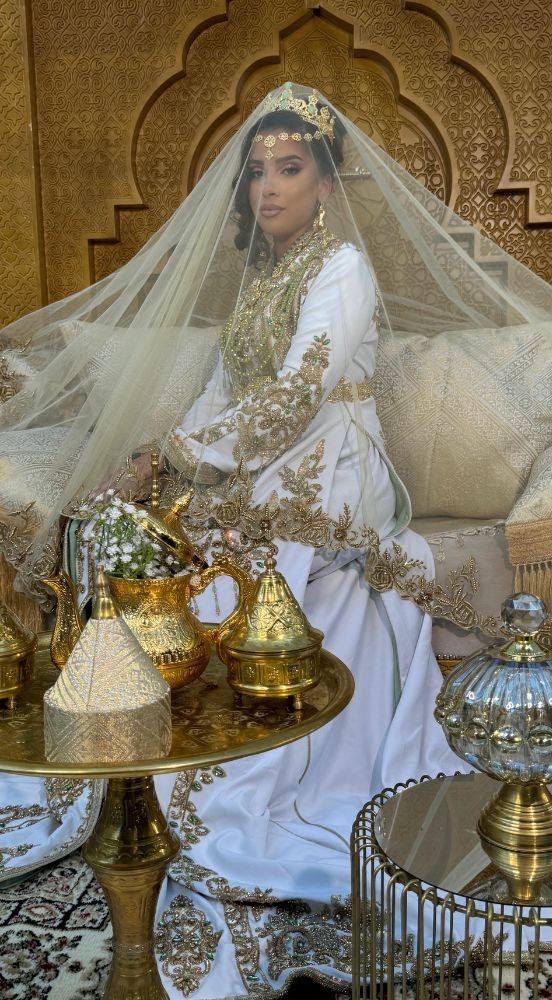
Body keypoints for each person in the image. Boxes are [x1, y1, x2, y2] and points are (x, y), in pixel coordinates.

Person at [1, 83, 551, 995]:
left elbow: (300, 393)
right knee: (152, 553)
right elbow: (226, 392)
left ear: (326, 184)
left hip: (332, 469)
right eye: (257, 171)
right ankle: (142, 760)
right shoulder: (262, 280)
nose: (269, 188)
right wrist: (159, 461)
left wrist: (183, 457)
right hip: (261, 461)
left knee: (249, 574)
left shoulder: (343, 269)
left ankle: (228, 778)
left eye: (289, 169)